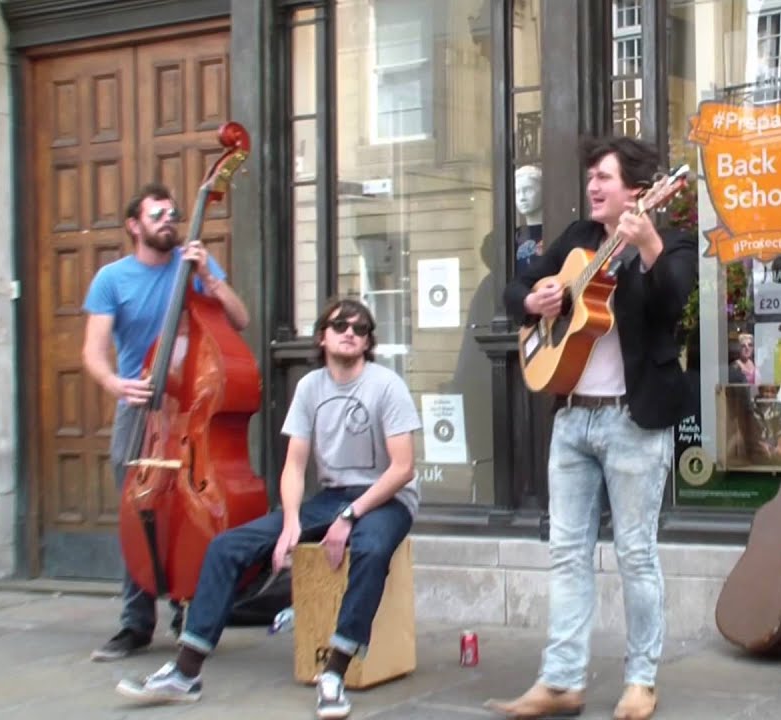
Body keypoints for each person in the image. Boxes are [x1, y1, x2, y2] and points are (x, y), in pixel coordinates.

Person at [115, 297, 421, 720]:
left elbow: (403, 469)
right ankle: (186, 672)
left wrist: (349, 518)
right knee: (226, 547)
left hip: (387, 498)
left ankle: (333, 673)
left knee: (370, 551)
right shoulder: (310, 387)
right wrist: (292, 522)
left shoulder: (386, 385)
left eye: (361, 327)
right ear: (322, 336)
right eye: (341, 325)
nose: (351, 331)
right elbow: (295, 465)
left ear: (369, 342)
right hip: (332, 497)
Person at [484, 136, 698, 720]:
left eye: (604, 177)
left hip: (634, 418)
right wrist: (537, 299)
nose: (593, 187)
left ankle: (641, 681)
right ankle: (561, 681)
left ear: (638, 189)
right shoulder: (578, 239)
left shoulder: (672, 241)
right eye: (591, 178)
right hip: (573, 414)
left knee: (635, 554)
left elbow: (672, 304)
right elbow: (514, 284)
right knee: (566, 553)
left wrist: (649, 245)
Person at [83, 182, 251, 661]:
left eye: (171, 214)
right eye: (156, 215)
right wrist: (116, 384)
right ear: (134, 226)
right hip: (140, 410)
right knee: (136, 516)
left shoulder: (195, 265)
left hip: (191, 410)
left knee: (190, 514)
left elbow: (239, 320)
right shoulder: (111, 279)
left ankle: (189, 614)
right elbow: (93, 353)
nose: (168, 221)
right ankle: (135, 624)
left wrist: (210, 279)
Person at [515, 164, 544, 275]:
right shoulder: (515, 236)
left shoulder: (553, 231)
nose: (522, 197)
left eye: (528, 190)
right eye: (517, 192)